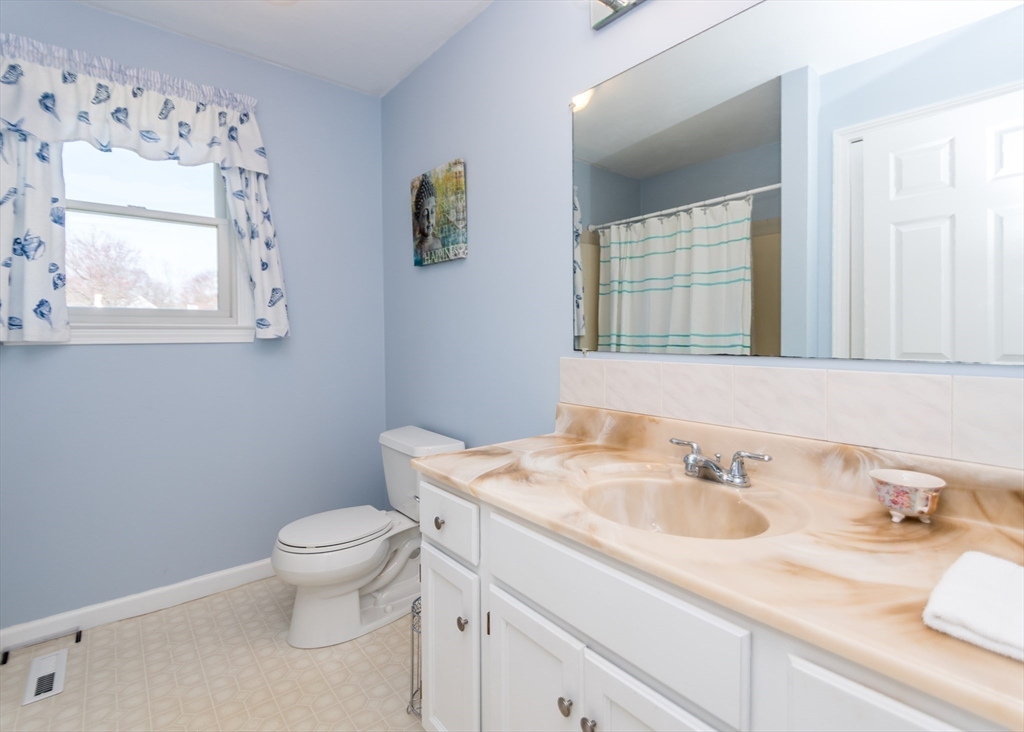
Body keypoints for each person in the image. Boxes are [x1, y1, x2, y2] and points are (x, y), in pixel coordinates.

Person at [413, 174, 442, 264]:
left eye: (432, 212)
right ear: (417, 218)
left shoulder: (438, 243)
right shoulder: (417, 250)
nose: (429, 219)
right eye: (425, 213)